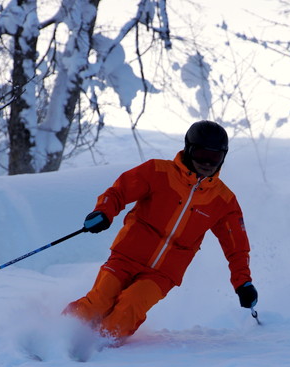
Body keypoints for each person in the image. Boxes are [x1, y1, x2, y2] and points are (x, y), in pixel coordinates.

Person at [63, 120, 258, 346]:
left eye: (214, 157)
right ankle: (58, 334)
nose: (207, 163)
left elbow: (237, 247)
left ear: (223, 157)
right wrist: (104, 212)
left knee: (130, 306)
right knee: (99, 301)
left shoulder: (223, 201)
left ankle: (97, 348)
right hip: (126, 256)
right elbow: (119, 191)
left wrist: (243, 282)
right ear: (188, 149)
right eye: (201, 153)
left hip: (163, 273)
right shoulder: (158, 171)